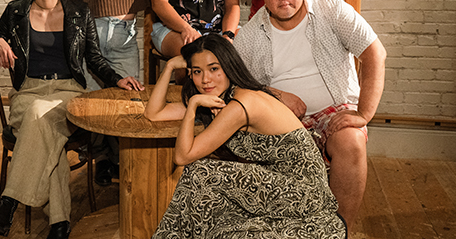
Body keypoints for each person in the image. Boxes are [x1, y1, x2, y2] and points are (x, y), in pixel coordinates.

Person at [0, 0, 143, 239]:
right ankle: (59, 223)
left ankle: (9, 202)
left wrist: (117, 79)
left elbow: (94, 58)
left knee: (38, 118)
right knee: (45, 130)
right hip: (28, 89)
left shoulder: (79, 11)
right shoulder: (16, 10)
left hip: (68, 89)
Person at [233, 0, 387, 230]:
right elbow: (233, 83)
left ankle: (339, 231)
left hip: (334, 110)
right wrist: (276, 95)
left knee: (351, 140)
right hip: (280, 120)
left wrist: (364, 113)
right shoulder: (250, 34)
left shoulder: (331, 9)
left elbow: (374, 53)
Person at [144, 34, 346, 238]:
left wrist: (193, 104)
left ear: (229, 67)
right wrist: (170, 66)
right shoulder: (222, 97)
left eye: (214, 69)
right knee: (216, 213)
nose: (205, 79)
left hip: (303, 191)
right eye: (197, 71)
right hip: (273, 184)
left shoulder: (241, 103)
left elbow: (182, 157)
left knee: (200, 172)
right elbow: (154, 113)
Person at [64, 0, 180, 185]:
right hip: (91, 36)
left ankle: (121, 160)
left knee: (127, 99)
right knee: (93, 103)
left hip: (124, 38)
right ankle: (102, 160)